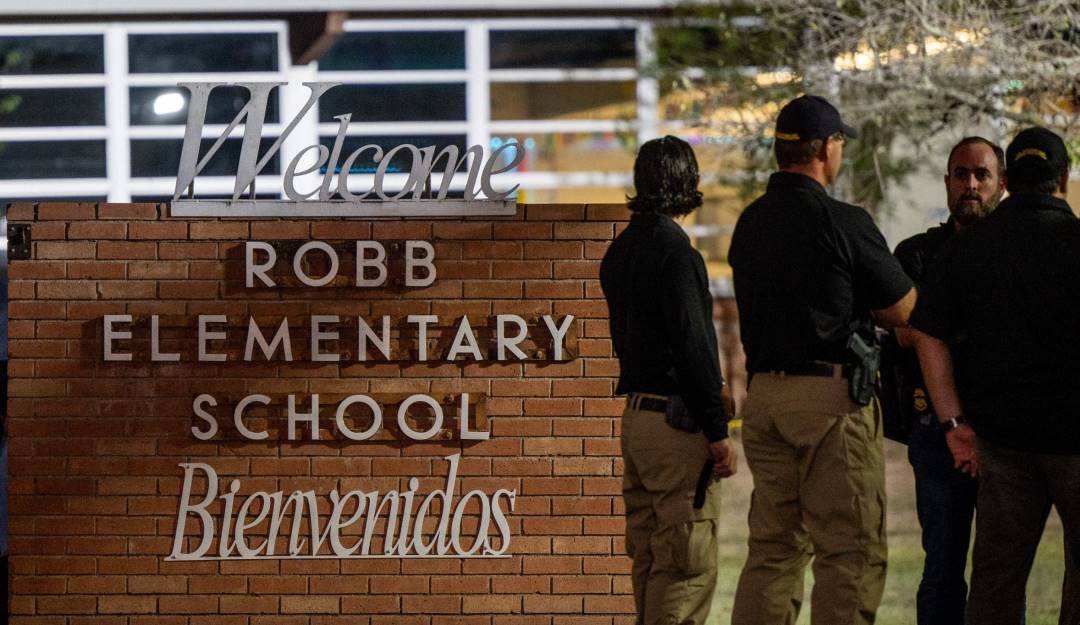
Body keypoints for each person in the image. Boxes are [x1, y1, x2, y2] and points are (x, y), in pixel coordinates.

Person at [728, 94, 916, 625]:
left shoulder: (751, 223)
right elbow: (903, 308)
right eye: (839, 143)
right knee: (849, 552)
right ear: (827, 148)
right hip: (829, 403)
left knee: (773, 551)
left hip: (764, 398)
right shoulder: (842, 220)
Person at [908, 127, 1080, 625]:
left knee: (996, 582)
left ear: (1007, 181)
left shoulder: (969, 248)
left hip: (1002, 446)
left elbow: (928, 334)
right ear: (1062, 180)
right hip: (1076, 441)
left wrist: (953, 423)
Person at [600, 135, 738, 625]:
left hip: (637, 418)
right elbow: (694, 347)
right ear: (690, 184)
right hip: (677, 426)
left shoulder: (619, 252)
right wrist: (718, 434)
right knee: (685, 567)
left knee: (651, 559)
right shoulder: (678, 255)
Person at [892, 137, 1005, 625]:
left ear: (1001, 183)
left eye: (982, 175)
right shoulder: (917, 255)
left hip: (1007, 434)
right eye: (961, 174)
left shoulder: (1016, 252)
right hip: (936, 432)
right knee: (941, 567)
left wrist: (935, 330)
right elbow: (903, 331)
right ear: (946, 182)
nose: (971, 185)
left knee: (1002, 571)